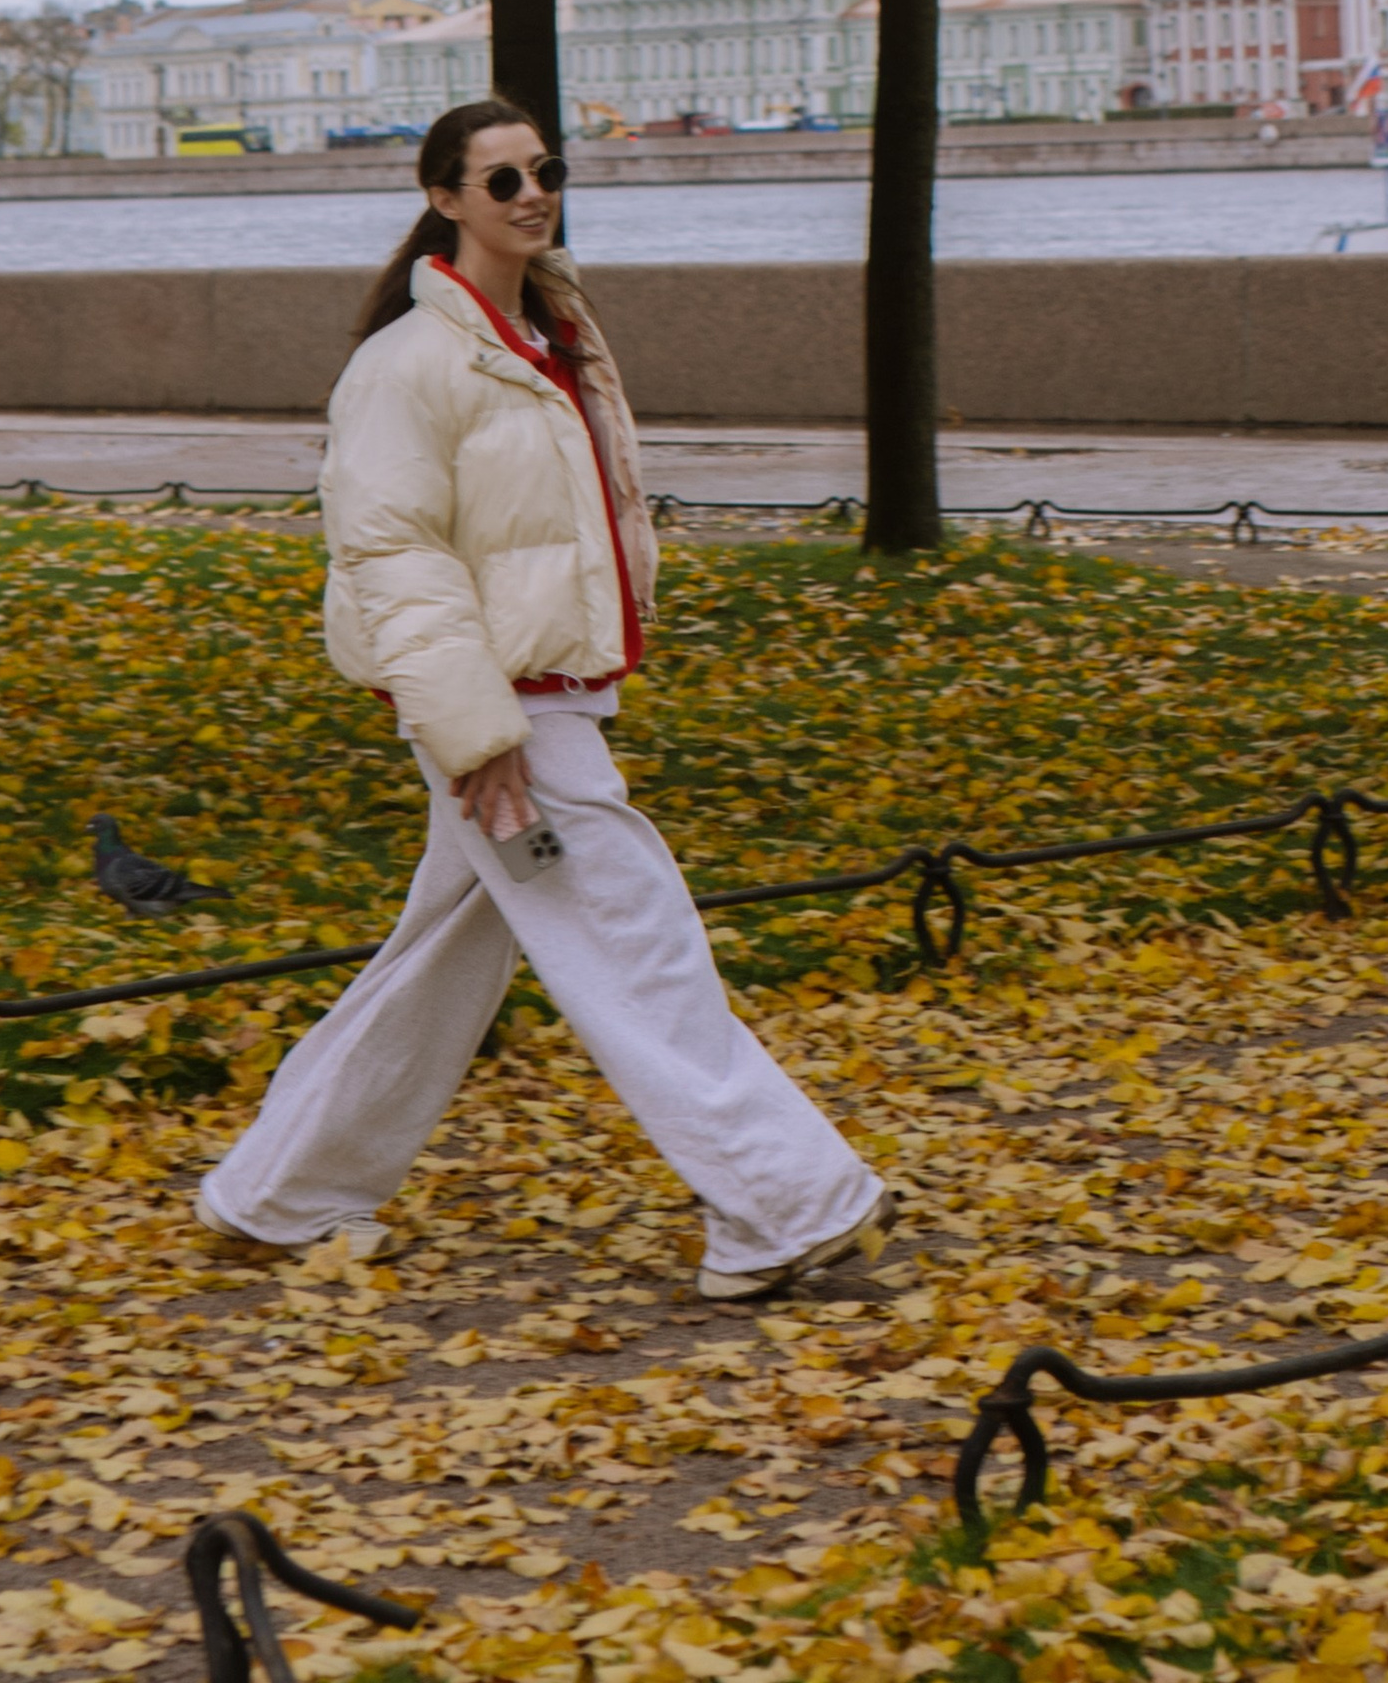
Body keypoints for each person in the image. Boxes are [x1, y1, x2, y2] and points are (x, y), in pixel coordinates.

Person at [195, 95, 889, 1301]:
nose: (530, 195)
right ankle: (781, 1206)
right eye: (500, 179)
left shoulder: (551, 341)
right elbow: (393, 556)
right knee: (638, 943)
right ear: (443, 199)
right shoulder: (406, 366)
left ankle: (275, 1200)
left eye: (543, 172)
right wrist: (474, 734)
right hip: (506, 713)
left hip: (556, 691)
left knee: (445, 959)